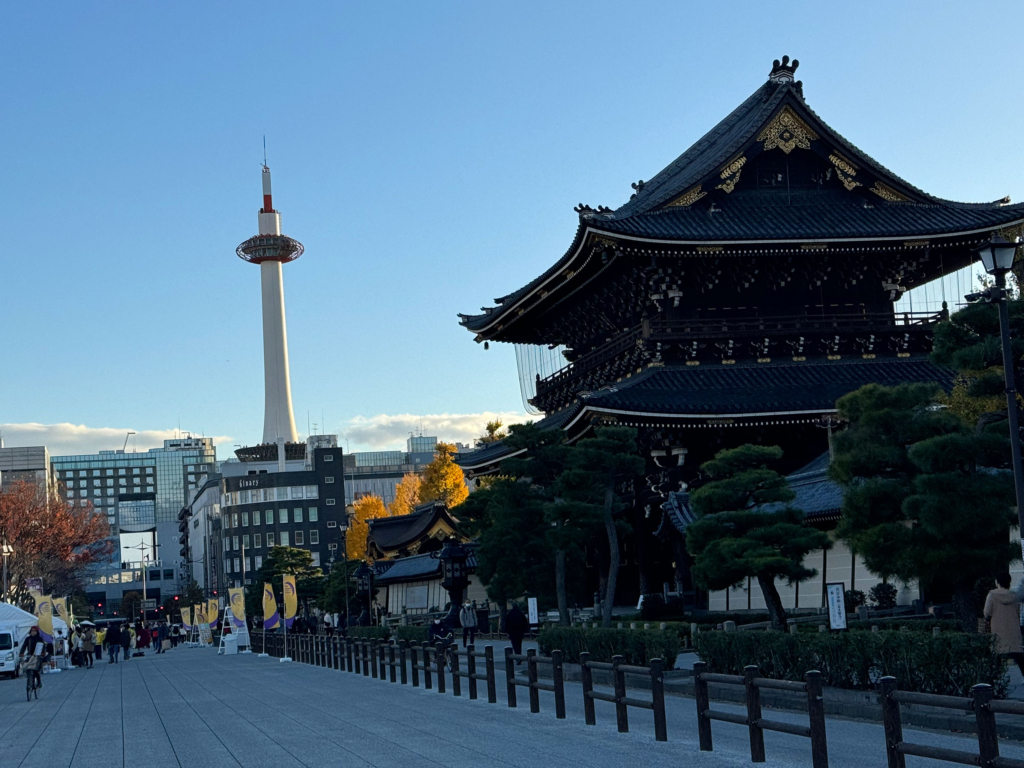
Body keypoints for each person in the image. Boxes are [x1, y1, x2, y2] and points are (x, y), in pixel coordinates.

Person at [985, 573, 1024, 675]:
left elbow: (987, 613)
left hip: (997, 630)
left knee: (996, 657)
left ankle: (994, 678)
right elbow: (1017, 612)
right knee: (1019, 657)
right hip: (1013, 630)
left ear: (997, 582)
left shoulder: (992, 595)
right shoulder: (1015, 596)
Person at [20, 626, 46, 691]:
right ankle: (29, 681)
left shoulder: (39, 638)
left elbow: (43, 646)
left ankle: (39, 682)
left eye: (34, 631)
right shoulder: (28, 639)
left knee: (36, 669)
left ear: (37, 632)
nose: (33, 632)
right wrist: (21, 653)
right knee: (27, 667)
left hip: (38, 656)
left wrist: (43, 652)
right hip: (30, 656)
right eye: (32, 631)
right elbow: (24, 646)